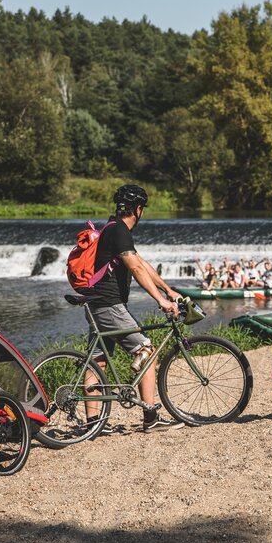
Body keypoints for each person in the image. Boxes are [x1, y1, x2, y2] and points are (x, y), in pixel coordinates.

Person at [85, 184, 184, 432]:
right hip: (110, 306)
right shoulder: (119, 230)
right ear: (138, 209)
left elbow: (141, 263)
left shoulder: (112, 228)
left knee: (97, 361)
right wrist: (161, 301)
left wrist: (167, 290)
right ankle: (150, 417)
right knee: (148, 351)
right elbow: (137, 270)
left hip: (97, 305)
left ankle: (93, 424)